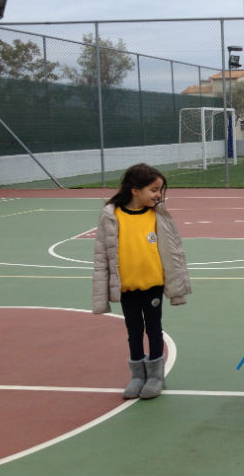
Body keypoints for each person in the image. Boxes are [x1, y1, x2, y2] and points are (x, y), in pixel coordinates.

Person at [92, 163, 191, 400]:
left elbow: (174, 250)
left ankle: (156, 377)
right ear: (135, 190)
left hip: (153, 285)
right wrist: (102, 289)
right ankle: (137, 375)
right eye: (153, 190)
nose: (158, 195)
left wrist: (176, 283)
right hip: (127, 287)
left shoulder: (158, 215)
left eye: (160, 190)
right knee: (134, 331)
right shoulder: (111, 215)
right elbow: (101, 255)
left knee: (154, 330)